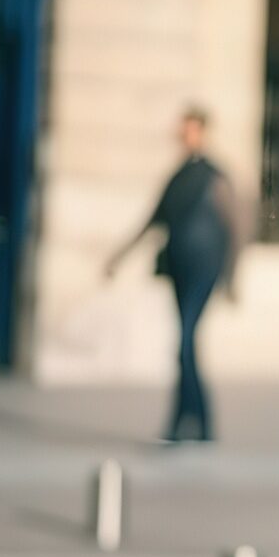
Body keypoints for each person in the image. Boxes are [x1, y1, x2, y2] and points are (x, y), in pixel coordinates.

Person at [104, 106, 240, 442]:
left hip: (203, 269)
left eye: (190, 129)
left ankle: (191, 423)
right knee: (184, 345)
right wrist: (119, 257)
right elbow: (153, 219)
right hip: (180, 268)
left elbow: (235, 227)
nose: (184, 135)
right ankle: (193, 423)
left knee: (184, 343)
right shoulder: (179, 177)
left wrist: (233, 276)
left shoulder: (214, 176)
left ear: (202, 132)